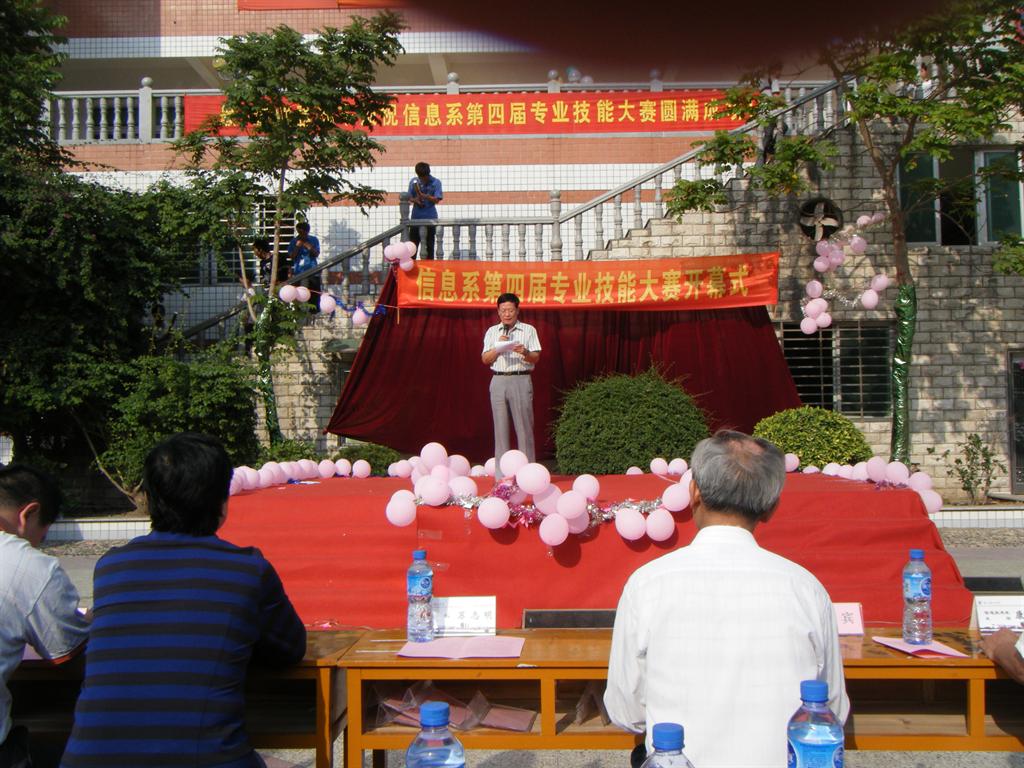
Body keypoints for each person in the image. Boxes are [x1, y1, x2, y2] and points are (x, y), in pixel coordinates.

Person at [604, 430, 849, 768]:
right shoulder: (806, 589)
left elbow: (626, 712)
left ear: (694, 492)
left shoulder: (647, 584)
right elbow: (832, 709)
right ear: (771, 507)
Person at [60, 433, 306, 768]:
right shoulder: (246, 569)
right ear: (222, 501)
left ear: (149, 498)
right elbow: (291, 648)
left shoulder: (112, 567)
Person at [0, 465, 90, 768]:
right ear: (29, 513)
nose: (40, 542)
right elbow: (70, 656)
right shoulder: (31, 567)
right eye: (44, 530)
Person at [480, 293, 541, 478]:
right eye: (503, 310)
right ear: (498, 312)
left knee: (524, 429)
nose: (507, 314)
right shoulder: (492, 332)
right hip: (498, 380)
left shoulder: (528, 330)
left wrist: (524, 351)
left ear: (517, 310)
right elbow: (485, 359)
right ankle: (501, 478)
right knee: (500, 430)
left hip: (520, 379)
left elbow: (536, 357)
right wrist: (498, 348)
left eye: (510, 310)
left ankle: (529, 475)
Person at [407, 161, 443, 259]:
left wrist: (426, 196)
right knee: (412, 246)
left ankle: (429, 267)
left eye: (424, 177)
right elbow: (408, 197)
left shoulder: (436, 182)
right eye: (420, 177)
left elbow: (437, 200)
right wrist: (416, 200)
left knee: (429, 246)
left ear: (428, 173)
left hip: (430, 218)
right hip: (415, 218)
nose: (422, 179)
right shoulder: (414, 181)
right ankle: (411, 266)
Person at [287, 222, 321, 304]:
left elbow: (316, 254)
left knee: (314, 297)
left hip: (313, 272)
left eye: (302, 233)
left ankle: (314, 310)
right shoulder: (293, 241)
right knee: (300, 297)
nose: (300, 235)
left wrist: (309, 246)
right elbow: (292, 256)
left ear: (307, 231)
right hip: (299, 273)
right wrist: (297, 247)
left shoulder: (314, 239)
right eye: (298, 232)